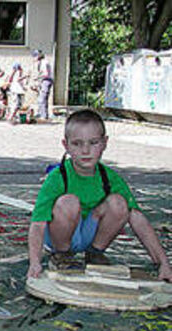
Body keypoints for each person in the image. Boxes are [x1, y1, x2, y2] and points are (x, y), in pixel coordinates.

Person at [27, 110, 171, 281]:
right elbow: (38, 224)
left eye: (93, 142)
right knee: (69, 202)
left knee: (119, 203)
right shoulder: (57, 177)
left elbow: (137, 219)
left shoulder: (111, 178)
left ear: (105, 143)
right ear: (66, 145)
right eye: (77, 144)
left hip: (90, 235)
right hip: (60, 237)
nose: (85, 150)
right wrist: (34, 262)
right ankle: (62, 255)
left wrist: (163, 263)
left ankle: (95, 253)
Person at [32, 49, 53, 119]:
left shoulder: (44, 62)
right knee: (42, 98)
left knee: (42, 99)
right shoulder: (41, 62)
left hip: (46, 81)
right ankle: (43, 114)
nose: (34, 58)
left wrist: (37, 77)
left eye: (35, 56)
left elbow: (46, 74)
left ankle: (43, 116)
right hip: (44, 81)